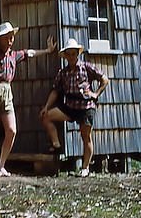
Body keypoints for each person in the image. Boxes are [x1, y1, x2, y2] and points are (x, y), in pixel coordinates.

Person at [0, 21, 57, 176]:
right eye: (7, 37)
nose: (10, 40)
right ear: (0, 39)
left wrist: (47, 50)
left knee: (12, 130)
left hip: (7, 91)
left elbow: (29, 53)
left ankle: (2, 165)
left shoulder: (13, 55)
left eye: (11, 37)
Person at [39, 38, 109, 177]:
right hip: (70, 106)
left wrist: (96, 94)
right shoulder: (63, 73)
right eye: (68, 54)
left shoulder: (86, 67)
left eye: (73, 54)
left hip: (85, 106)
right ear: (65, 55)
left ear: (77, 54)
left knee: (86, 136)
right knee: (46, 116)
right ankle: (56, 145)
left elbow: (105, 80)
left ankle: (85, 168)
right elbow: (55, 90)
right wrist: (46, 106)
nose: (71, 57)